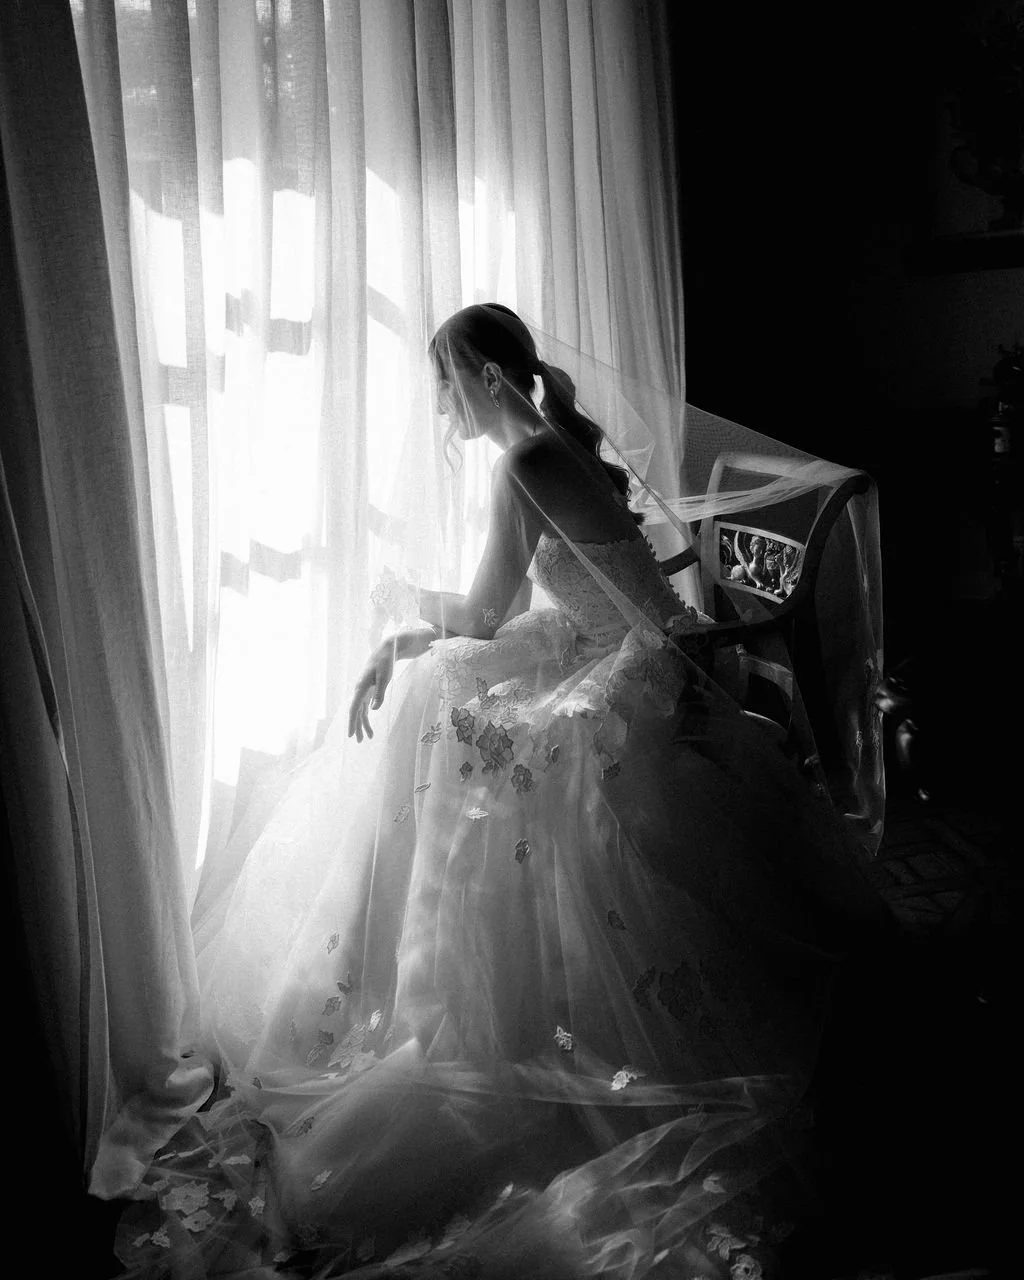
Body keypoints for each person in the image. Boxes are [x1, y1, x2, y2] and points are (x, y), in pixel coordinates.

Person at [115, 305, 890, 1279]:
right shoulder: (557, 440)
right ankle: (449, 976)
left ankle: (456, 991)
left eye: (445, 389)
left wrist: (395, 626)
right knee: (448, 694)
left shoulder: (525, 461)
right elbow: (546, 598)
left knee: (435, 698)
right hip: (650, 650)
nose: (444, 413)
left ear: (480, 377)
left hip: (639, 674)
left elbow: (482, 611)